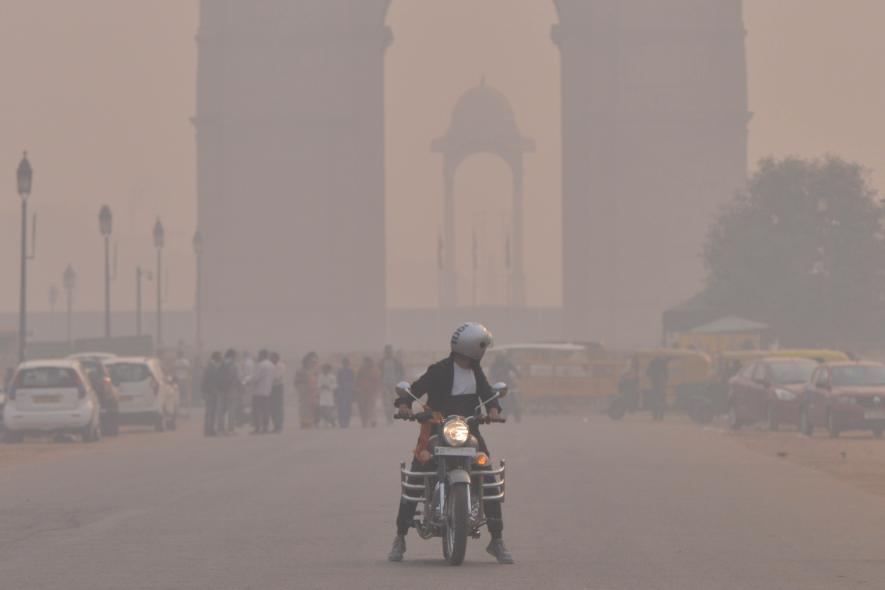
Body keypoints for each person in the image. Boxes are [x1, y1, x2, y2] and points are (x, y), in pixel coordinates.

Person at [388, 323, 514, 564]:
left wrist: (494, 411)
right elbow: (414, 390)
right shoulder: (440, 370)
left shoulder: (476, 372)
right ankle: (400, 538)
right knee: (415, 479)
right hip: (436, 428)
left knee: (487, 476)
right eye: (481, 347)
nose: (483, 352)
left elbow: (489, 396)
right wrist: (405, 406)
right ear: (473, 348)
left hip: (469, 431)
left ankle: (496, 540)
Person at [249, 350, 275, 434]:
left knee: (257, 410)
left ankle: (257, 428)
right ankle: (265, 428)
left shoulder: (260, 365)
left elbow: (256, 378)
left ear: (262, 355)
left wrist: (248, 382)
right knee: (266, 410)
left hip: (258, 391)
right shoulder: (271, 365)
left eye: (259, 354)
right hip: (268, 391)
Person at [216, 349, 241, 435]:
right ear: (233, 355)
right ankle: (231, 429)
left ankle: (220, 429)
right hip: (231, 389)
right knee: (231, 410)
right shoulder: (235, 365)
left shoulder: (220, 364)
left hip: (221, 389)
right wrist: (241, 387)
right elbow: (238, 377)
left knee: (221, 410)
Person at [379, 345, 404, 425]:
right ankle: (388, 418)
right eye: (387, 352)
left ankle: (391, 417)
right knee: (386, 402)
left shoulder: (396, 362)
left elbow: (401, 372)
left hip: (394, 384)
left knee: (393, 401)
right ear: (385, 352)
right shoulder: (382, 362)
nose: (388, 353)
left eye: (390, 352)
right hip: (384, 384)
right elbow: (378, 373)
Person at [295, 352, 319, 429]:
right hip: (303, 391)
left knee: (311, 406)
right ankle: (304, 423)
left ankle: (310, 422)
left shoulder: (314, 371)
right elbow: (296, 382)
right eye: (309, 362)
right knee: (303, 407)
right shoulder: (300, 371)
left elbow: (317, 380)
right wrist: (302, 385)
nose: (310, 363)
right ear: (305, 362)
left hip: (312, 391)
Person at [201, 351, 223, 437]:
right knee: (210, 412)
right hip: (210, 392)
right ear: (216, 357)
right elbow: (205, 380)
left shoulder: (213, 366)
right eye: (220, 357)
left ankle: (210, 430)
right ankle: (208, 431)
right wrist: (205, 392)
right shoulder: (210, 367)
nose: (221, 359)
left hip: (213, 392)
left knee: (212, 412)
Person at [356, 357, 381, 428]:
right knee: (362, 406)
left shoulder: (375, 370)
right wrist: (357, 387)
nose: (365, 364)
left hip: (371, 391)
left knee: (371, 407)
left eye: (366, 362)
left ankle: (372, 420)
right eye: (364, 362)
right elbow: (358, 379)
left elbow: (377, 381)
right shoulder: (361, 369)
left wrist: (377, 390)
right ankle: (364, 421)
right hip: (362, 391)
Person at [646, 356, 670, 421]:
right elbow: (666, 374)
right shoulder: (663, 363)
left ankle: (655, 415)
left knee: (655, 399)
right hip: (661, 385)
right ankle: (661, 416)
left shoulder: (652, 362)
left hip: (654, 384)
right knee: (661, 399)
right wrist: (665, 380)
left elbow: (647, 372)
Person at [335, 357, 356, 428]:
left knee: (347, 408)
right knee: (341, 408)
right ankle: (341, 422)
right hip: (341, 392)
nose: (345, 364)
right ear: (343, 363)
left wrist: (350, 388)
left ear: (348, 364)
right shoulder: (339, 372)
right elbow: (337, 381)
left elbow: (353, 382)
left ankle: (346, 422)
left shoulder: (351, 372)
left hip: (348, 392)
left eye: (346, 363)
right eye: (344, 363)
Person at [317, 363, 338, 427]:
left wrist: (329, 387)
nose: (325, 370)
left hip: (329, 395)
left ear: (329, 370)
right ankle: (325, 422)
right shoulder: (320, 376)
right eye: (324, 369)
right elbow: (318, 384)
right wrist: (322, 386)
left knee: (329, 409)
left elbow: (335, 385)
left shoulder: (332, 377)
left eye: (326, 369)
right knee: (323, 408)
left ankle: (332, 421)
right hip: (323, 394)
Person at [270, 352, 286, 433]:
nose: (270, 359)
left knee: (278, 407)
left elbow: (277, 377)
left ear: (276, 358)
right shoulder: (272, 365)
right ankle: (275, 426)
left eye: (271, 357)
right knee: (273, 407)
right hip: (272, 388)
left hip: (278, 387)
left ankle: (279, 426)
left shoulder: (280, 365)